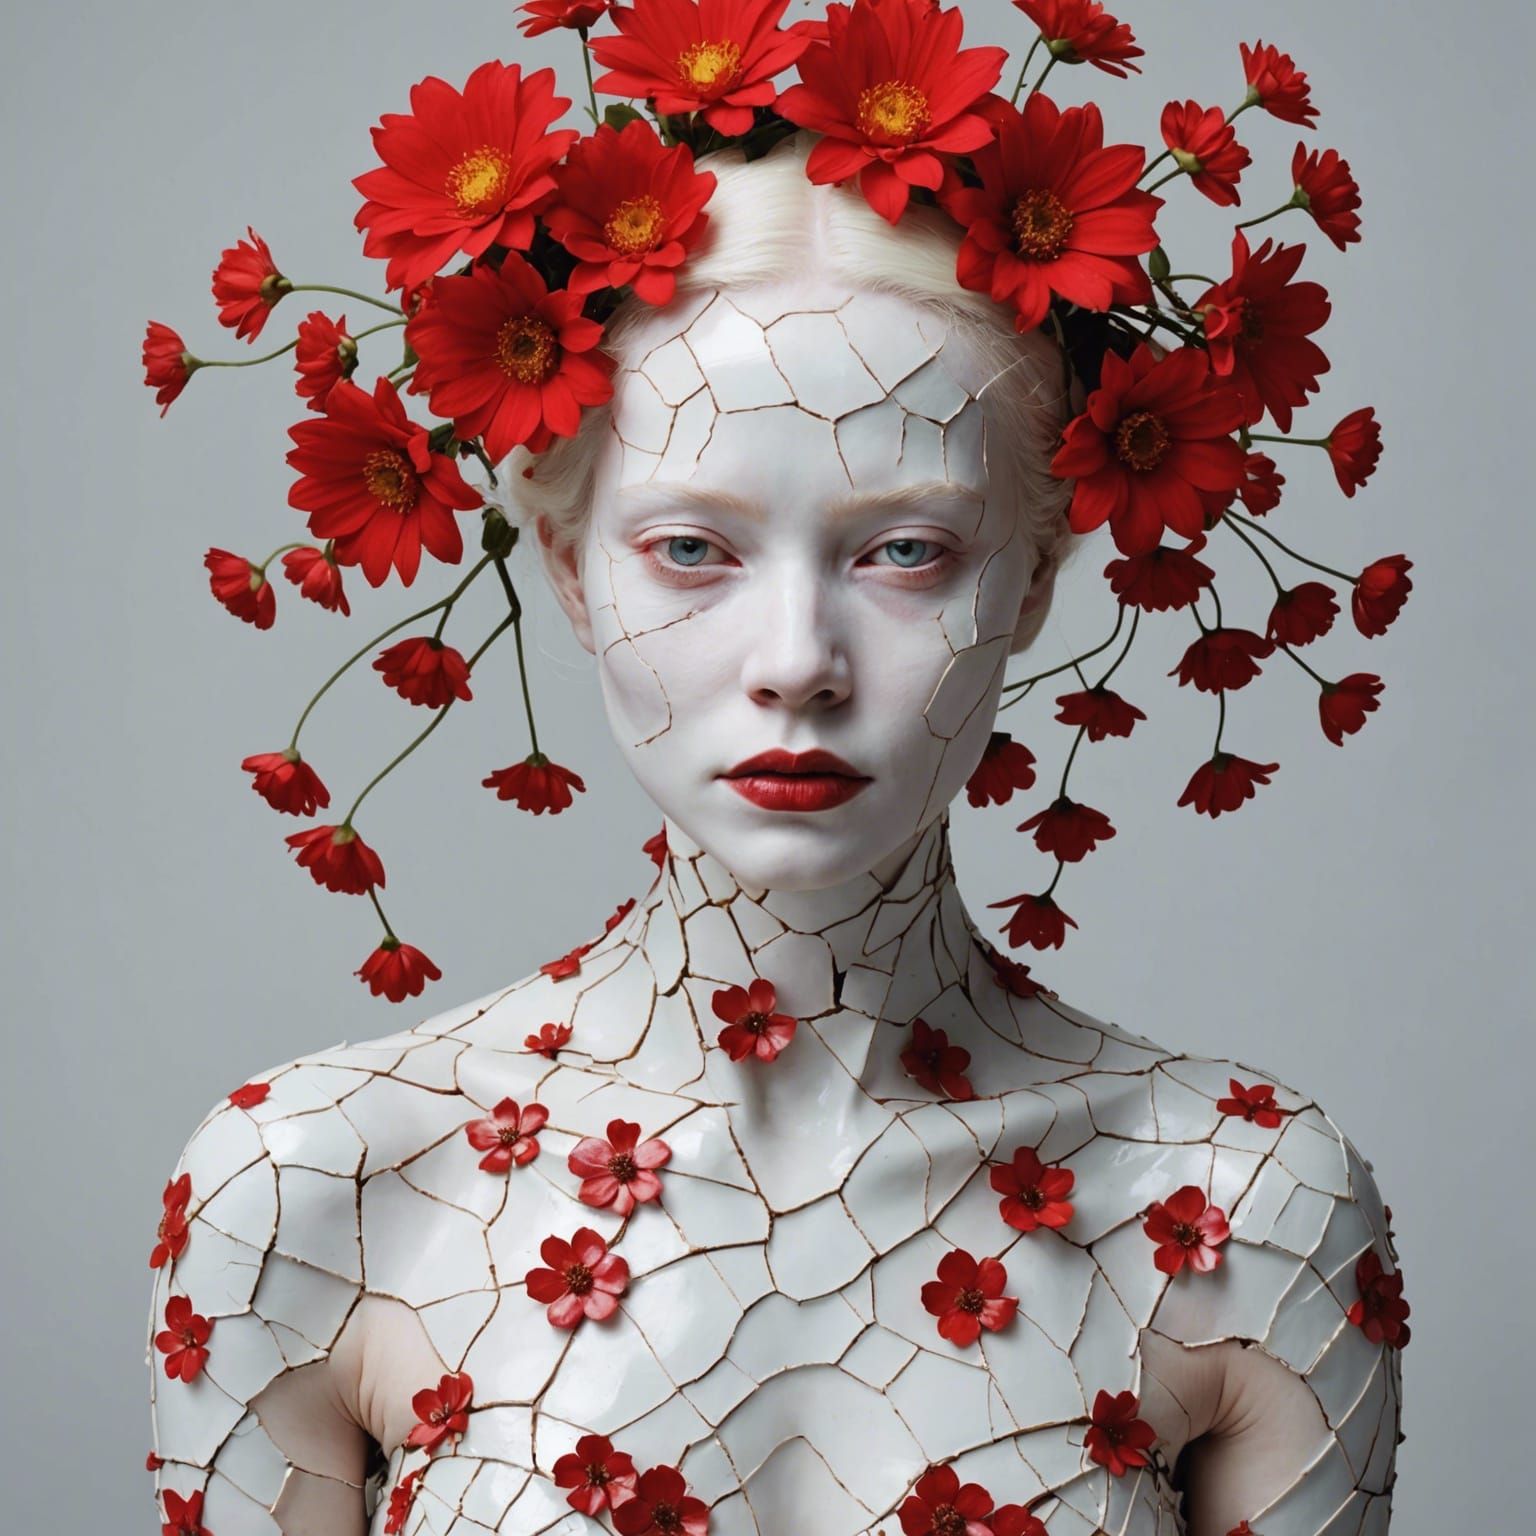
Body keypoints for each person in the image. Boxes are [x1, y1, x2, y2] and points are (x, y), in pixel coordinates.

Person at [147, 138, 1402, 1536]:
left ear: (1039, 576)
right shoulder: (319, 1189)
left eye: (906, 549)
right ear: (569, 569)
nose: (799, 662)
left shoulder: (1239, 1201)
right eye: (694, 549)